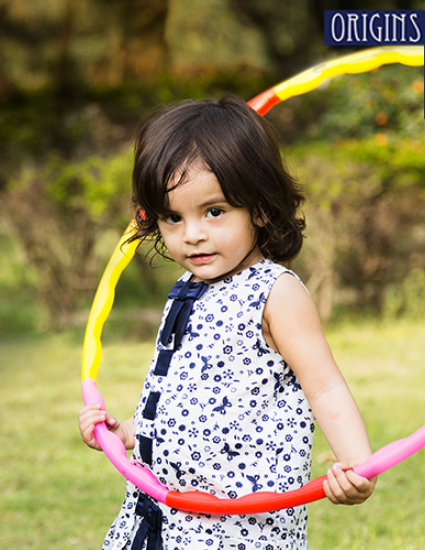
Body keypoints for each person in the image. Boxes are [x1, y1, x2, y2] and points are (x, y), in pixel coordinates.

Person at [79, 95, 376, 550]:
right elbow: (176, 390)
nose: (192, 234)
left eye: (213, 212)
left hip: (240, 525)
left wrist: (358, 464)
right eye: (172, 218)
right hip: (160, 512)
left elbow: (324, 386)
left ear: (258, 207)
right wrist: (126, 433)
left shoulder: (276, 292)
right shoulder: (185, 287)